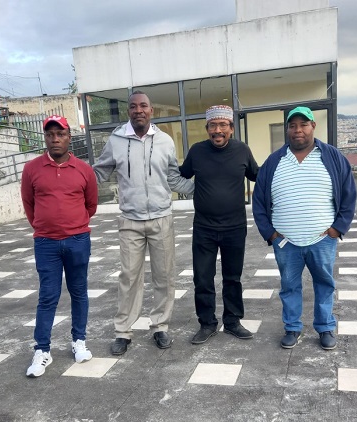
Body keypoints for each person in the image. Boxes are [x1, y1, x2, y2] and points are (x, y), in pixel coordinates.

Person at [93, 91, 194, 355]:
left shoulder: (165, 141)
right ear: (128, 111)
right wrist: (73, 186)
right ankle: (123, 331)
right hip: (130, 220)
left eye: (144, 106)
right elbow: (99, 172)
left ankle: (160, 326)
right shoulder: (116, 140)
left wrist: (204, 187)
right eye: (133, 106)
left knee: (164, 276)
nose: (138, 110)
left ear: (151, 111)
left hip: (161, 218)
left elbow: (173, 178)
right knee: (129, 277)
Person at [252, 106, 356, 350]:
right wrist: (271, 234)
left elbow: (349, 194)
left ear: (313, 126)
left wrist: (337, 228)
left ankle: (325, 327)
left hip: (322, 239)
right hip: (286, 242)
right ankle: (292, 327)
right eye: (292, 126)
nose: (298, 130)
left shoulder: (332, 157)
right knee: (289, 286)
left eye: (303, 124)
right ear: (287, 129)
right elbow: (258, 200)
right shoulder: (274, 161)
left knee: (324, 284)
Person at [21, 115, 98, 377]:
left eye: (61, 134)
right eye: (50, 134)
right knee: (48, 296)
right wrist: (45, 226)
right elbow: (29, 204)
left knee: (79, 292)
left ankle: (79, 341)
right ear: (45, 137)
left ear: (69, 137)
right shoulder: (32, 169)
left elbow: (91, 204)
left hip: (78, 240)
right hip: (46, 243)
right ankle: (42, 350)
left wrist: (74, 224)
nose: (55, 139)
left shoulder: (83, 169)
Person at [179, 105, 259, 344]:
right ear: (207, 129)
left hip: (235, 227)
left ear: (231, 128)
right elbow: (181, 174)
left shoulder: (242, 150)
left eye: (223, 125)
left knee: (232, 277)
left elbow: (258, 175)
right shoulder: (197, 151)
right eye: (213, 125)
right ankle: (207, 323)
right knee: (202, 279)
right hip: (204, 228)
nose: (218, 130)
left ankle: (232, 321)